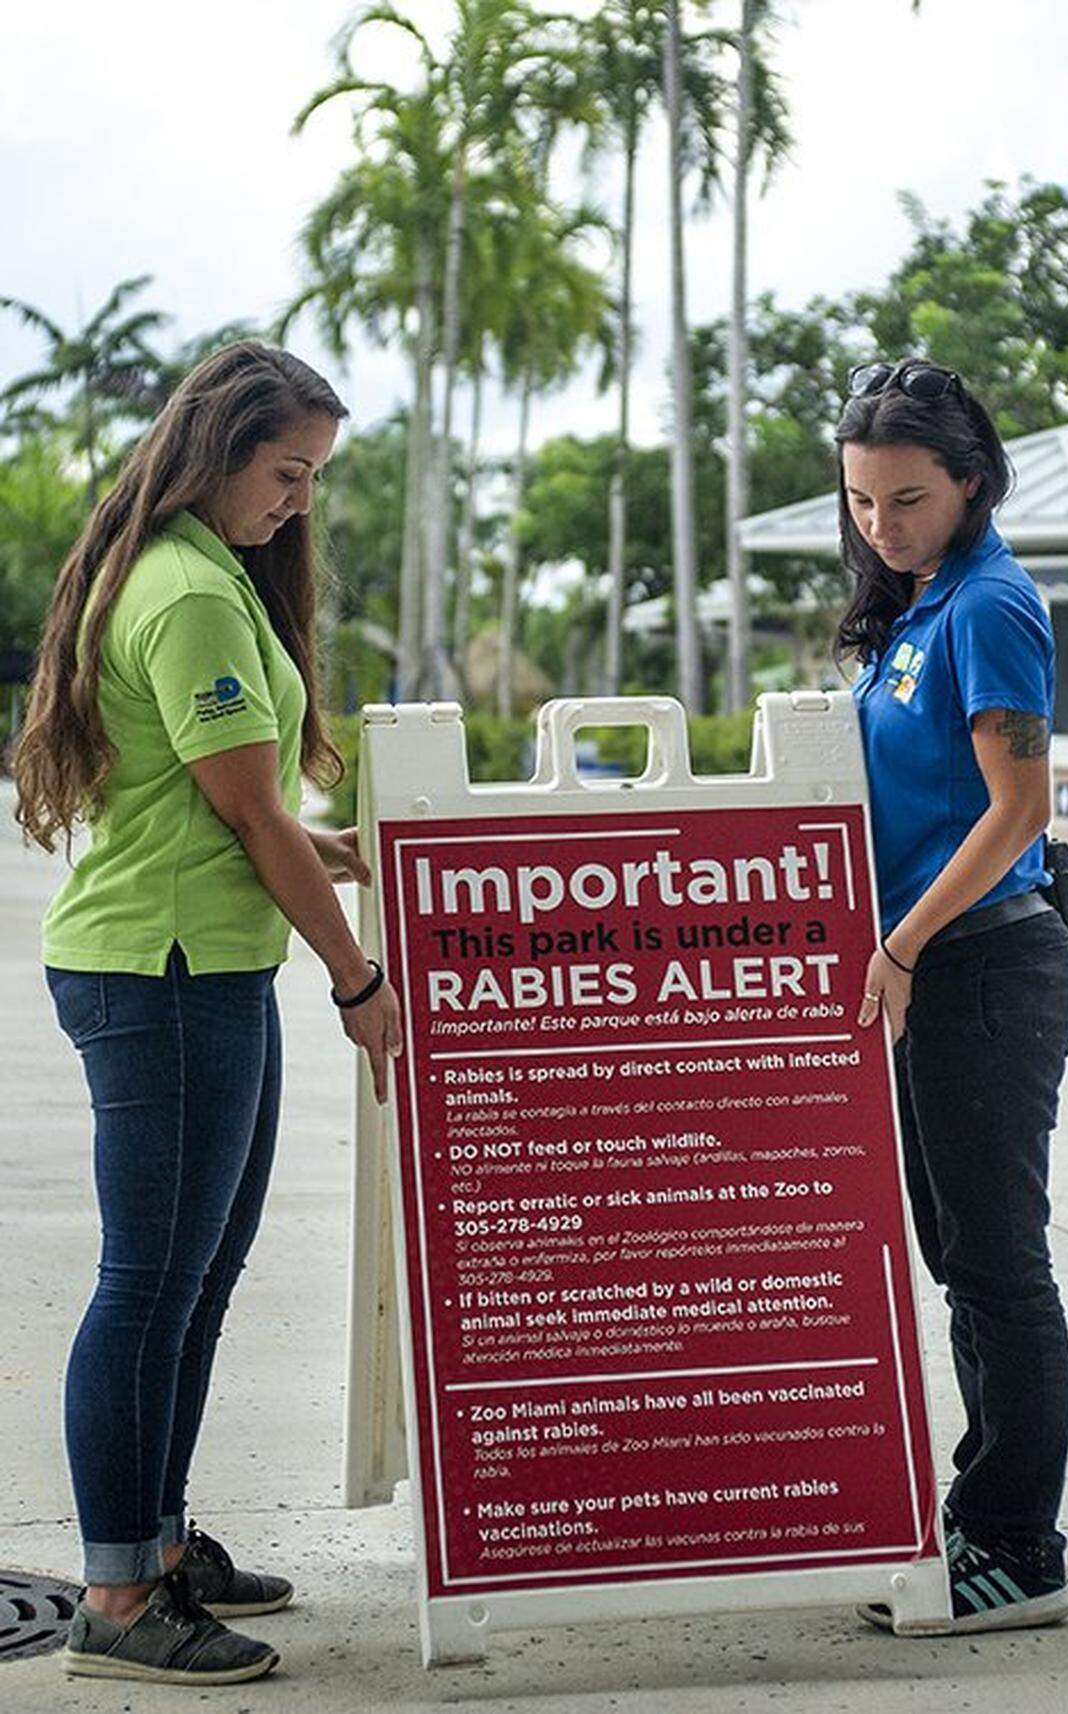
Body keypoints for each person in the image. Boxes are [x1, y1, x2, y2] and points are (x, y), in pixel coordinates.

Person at [14, 341, 403, 1685]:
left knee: (197, 1275)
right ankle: (119, 1597)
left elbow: (236, 804)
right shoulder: (185, 590)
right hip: (162, 973)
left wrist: (338, 850)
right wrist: (357, 978)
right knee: (150, 1283)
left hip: (202, 964)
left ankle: (161, 1542)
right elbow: (244, 810)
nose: (300, 500)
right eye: (287, 471)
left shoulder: (203, 570)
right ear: (216, 451)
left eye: (313, 476)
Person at [835, 359, 1068, 1636]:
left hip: (983, 965)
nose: (883, 524)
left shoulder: (989, 605)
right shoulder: (921, 603)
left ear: (973, 483)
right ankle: (982, 1515)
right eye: (863, 500)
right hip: (935, 969)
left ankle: (1017, 1549)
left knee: (998, 1265)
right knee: (960, 1260)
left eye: (909, 499)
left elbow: (1017, 810)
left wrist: (903, 942)